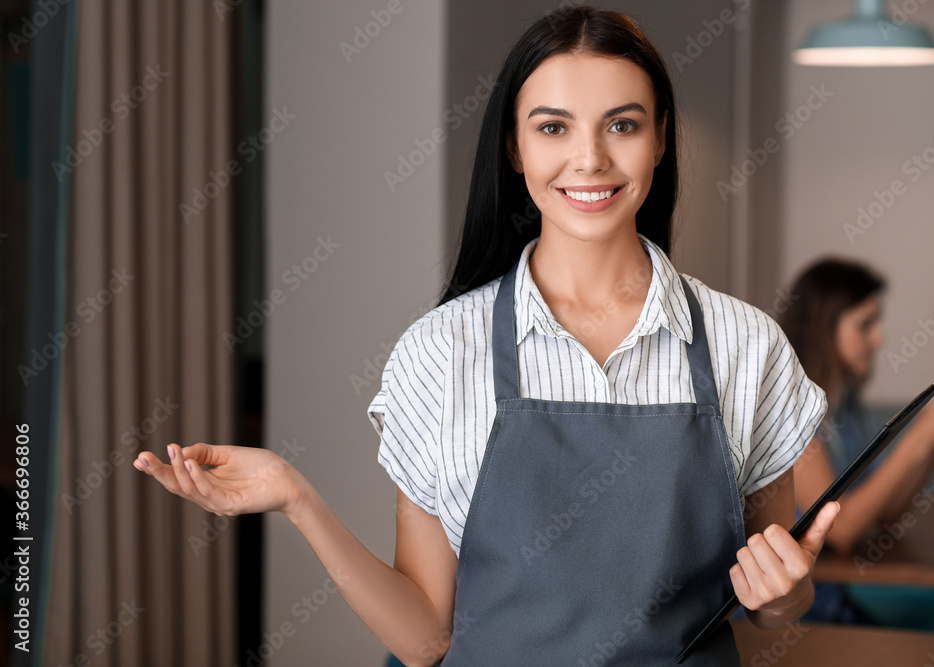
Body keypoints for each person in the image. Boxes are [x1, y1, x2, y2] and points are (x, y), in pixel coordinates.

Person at [133, 7, 839, 664]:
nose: (589, 158)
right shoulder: (440, 351)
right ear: (513, 145)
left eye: (621, 125)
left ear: (660, 137)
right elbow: (424, 637)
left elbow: (775, 604)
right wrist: (296, 498)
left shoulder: (746, 346)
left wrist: (785, 593)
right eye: (553, 127)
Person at [779, 258, 934, 627]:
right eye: (865, 325)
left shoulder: (845, 406)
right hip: (815, 599)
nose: (879, 338)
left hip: (848, 581)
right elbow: (841, 532)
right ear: (825, 328)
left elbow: (884, 513)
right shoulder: (790, 411)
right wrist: (919, 435)